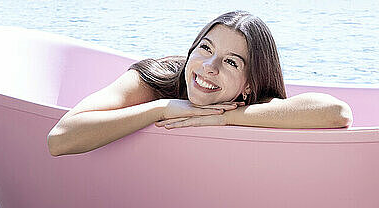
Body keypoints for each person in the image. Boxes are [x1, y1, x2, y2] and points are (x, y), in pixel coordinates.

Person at [47, 10, 353, 156]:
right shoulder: (156, 78)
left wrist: (223, 118)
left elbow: (337, 112)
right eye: (205, 48)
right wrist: (163, 109)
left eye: (231, 62)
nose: (209, 67)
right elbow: (59, 139)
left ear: (249, 84)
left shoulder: (251, 105)